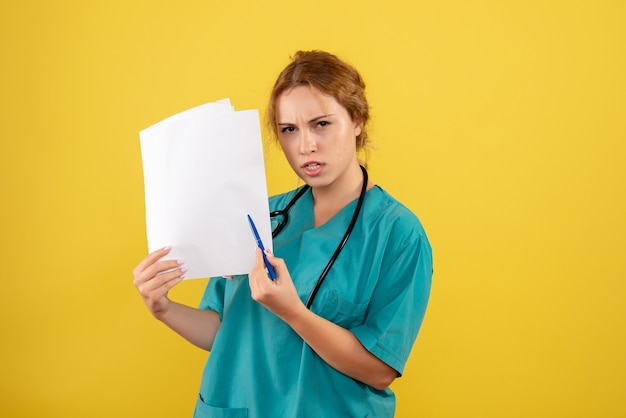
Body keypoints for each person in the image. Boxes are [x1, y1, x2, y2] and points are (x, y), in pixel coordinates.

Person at [133, 50, 433, 418]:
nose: (305, 145)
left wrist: (292, 312)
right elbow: (225, 333)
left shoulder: (398, 235)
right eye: (289, 130)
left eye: (321, 124)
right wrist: (164, 309)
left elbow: (380, 369)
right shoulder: (258, 217)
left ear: (357, 120)